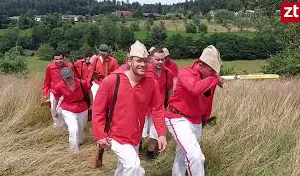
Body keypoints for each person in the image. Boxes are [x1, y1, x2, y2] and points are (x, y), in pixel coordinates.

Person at [92, 40, 167, 176]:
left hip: (135, 136)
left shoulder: (151, 83)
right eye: (139, 61)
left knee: (124, 168)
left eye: (145, 61)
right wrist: (100, 135)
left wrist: (161, 134)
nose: (143, 64)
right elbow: (98, 110)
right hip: (114, 135)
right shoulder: (112, 81)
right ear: (129, 61)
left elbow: (157, 109)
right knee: (133, 166)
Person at [165, 45, 224, 176]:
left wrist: (204, 118)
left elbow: (208, 100)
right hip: (177, 118)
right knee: (196, 157)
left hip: (195, 121)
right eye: (211, 70)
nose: (214, 73)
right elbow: (194, 89)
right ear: (201, 64)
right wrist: (214, 79)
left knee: (182, 155)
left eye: (215, 71)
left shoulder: (210, 78)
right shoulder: (186, 73)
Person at [141, 48, 174, 159]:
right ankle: (137, 149)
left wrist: (169, 105)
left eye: (162, 59)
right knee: (140, 132)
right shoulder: (143, 71)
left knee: (156, 132)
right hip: (143, 108)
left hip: (159, 108)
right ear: (151, 59)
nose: (160, 62)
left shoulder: (168, 73)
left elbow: (169, 89)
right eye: (157, 59)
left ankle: (150, 154)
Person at [51, 67, 92, 152]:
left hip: (82, 108)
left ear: (73, 75)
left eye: (70, 76)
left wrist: (92, 103)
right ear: (62, 78)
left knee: (80, 127)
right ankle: (74, 151)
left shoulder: (82, 83)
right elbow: (56, 97)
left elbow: (89, 92)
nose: (69, 79)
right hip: (68, 109)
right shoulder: (59, 86)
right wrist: (54, 109)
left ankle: (80, 140)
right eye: (66, 78)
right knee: (73, 128)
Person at [43, 52, 76, 127]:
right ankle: (57, 126)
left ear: (64, 58)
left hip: (67, 91)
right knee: (54, 109)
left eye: (60, 59)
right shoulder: (50, 67)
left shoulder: (69, 66)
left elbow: (75, 79)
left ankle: (66, 126)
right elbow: (47, 81)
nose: (58, 61)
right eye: (56, 59)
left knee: (65, 110)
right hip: (54, 91)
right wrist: (46, 93)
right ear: (53, 60)